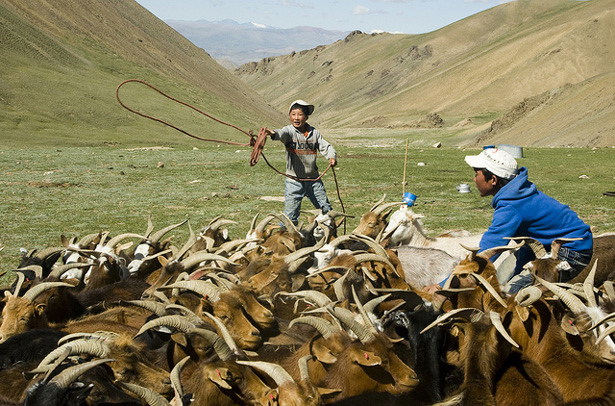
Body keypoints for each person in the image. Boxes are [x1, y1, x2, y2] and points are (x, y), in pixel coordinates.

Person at [464, 147, 593, 292]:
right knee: (506, 281)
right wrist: (518, 272)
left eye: (476, 174)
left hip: (572, 250)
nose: (474, 179)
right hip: (556, 244)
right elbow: (529, 241)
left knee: (513, 296)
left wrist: (446, 284)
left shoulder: (510, 207)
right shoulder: (518, 191)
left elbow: (488, 251)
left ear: (493, 179)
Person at [265, 100, 337, 225]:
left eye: (300, 115)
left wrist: (332, 157)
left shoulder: (314, 133)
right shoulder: (289, 131)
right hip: (294, 181)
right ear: (289, 116)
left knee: (326, 211)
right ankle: (285, 240)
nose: (296, 118)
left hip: (314, 181)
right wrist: (273, 133)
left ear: (306, 117)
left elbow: (326, 147)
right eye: (293, 114)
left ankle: (328, 238)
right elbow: (281, 134)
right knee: (290, 216)